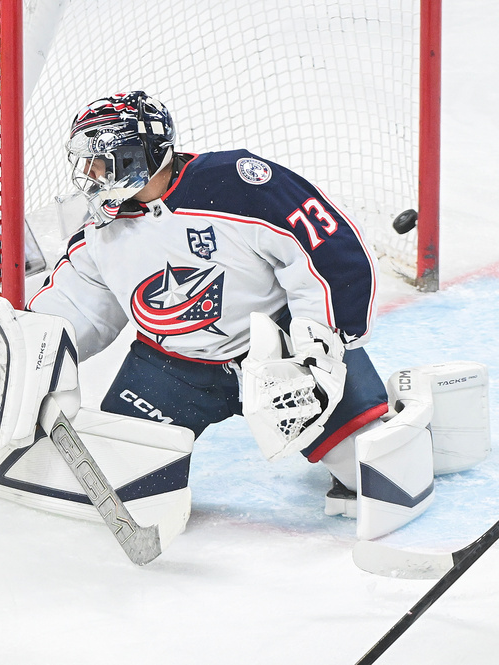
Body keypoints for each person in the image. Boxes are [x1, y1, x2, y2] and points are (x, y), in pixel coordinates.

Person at [26, 90, 434, 537]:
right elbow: (78, 302)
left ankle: (402, 414)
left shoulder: (235, 184)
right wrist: (32, 348)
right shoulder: (102, 224)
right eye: (86, 163)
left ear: (140, 152)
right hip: (172, 367)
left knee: (380, 478)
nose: (92, 175)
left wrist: (320, 350)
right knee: (119, 483)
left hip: (277, 354)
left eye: (102, 160)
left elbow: (331, 251)